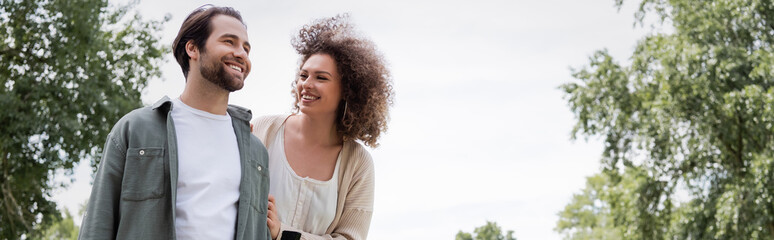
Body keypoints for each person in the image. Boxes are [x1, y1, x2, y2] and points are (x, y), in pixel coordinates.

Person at [79, 5, 271, 240]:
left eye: (246, 48)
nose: (241, 54)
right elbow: (98, 223)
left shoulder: (255, 152)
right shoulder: (136, 129)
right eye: (229, 42)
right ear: (192, 48)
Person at [251, 14, 393, 240]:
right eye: (303, 75)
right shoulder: (263, 130)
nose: (306, 84)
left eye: (321, 78)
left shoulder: (358, 163)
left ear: (348, 90)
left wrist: (283, 234)